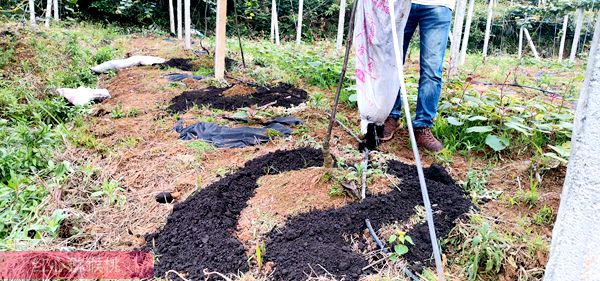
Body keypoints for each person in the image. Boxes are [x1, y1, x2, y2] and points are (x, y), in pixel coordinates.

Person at [381, 0, 454, 152]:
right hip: (400, 4)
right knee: (392, 64)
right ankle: (391, 116)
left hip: (439, 5)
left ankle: (422, 126)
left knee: (431, 70)